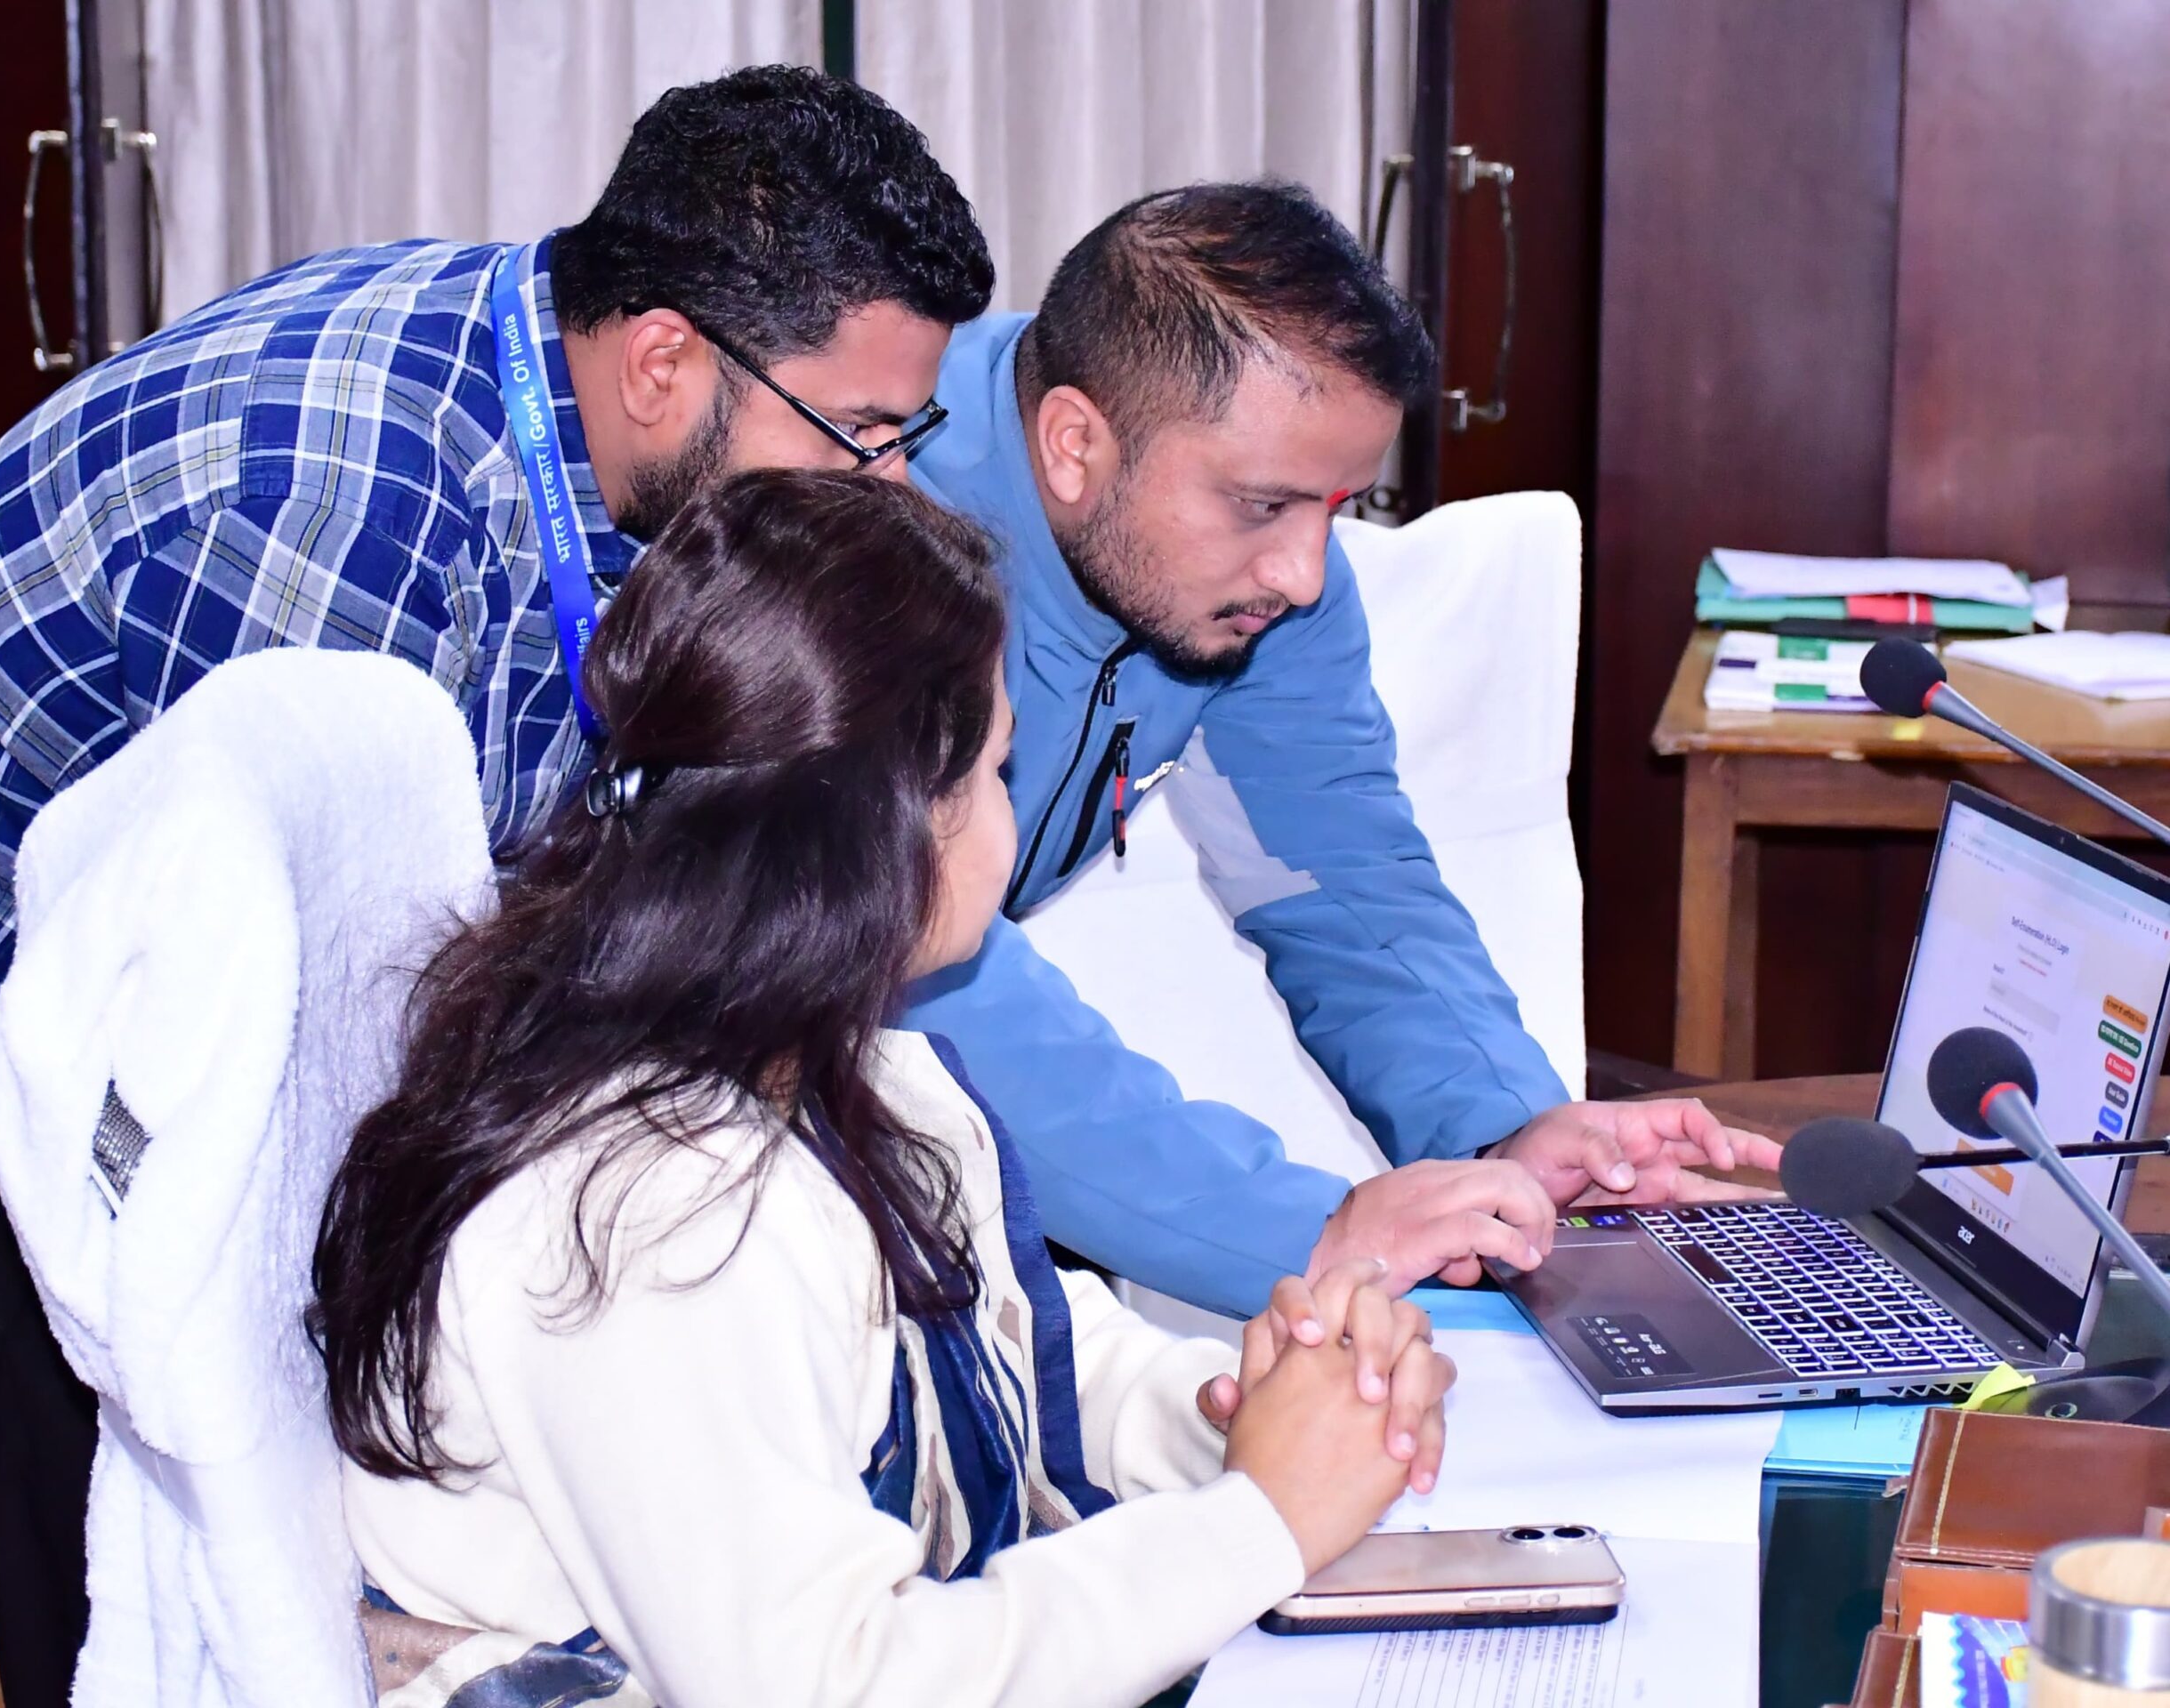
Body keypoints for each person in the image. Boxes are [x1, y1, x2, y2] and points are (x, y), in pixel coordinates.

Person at [0, 66, 991, 1706]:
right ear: (665, 360)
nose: (885, 484)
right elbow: (283, 1060)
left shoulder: (588, 401)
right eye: (862, 434)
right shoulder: (337, 519)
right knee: (139, 1565)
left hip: (215, 972)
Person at [315, 468, 1453, 1708]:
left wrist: (1242, 1414)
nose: (1009, 819)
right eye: (997, 774)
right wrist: (1260, 1521)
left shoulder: (833, 1079)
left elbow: (1010, 1357)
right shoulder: (643, 1211)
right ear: (886, 831)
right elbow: (826, 1688)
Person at [903, 181, 1783, 1320]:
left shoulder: (1269, 582)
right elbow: (917, 975)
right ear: (1075, 444)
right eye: (1261, 506)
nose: (1306, 574)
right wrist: (1317, 1234)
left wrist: (1505, 1136)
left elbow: (1340, 877)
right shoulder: (868, 521)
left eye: (1337, 506)